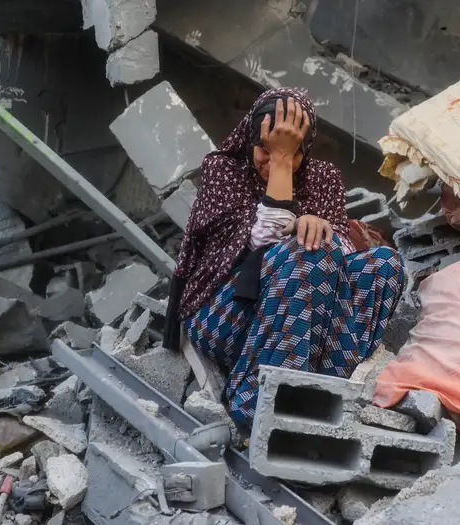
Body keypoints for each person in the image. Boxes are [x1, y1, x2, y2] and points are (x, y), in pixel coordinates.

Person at [164, 87, 405, 426]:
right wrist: (282, 170)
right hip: (224, 317)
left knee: (383, 265)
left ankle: (323, 394)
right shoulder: (224, 171)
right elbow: (259, 244)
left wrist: (321, 227)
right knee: (306, 250)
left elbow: (343, 257)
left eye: (292, 153)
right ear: (251, 139)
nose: (274, 160)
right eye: (266, 148)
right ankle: (258, 404)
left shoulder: (323, 178)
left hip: (304, 327)